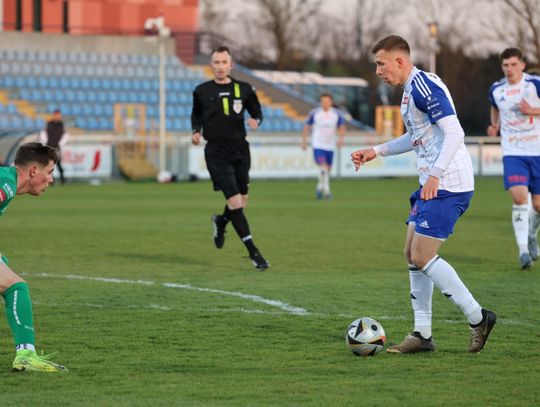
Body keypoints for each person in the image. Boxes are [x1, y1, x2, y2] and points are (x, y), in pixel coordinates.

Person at [351, 35, 496, 354]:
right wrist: (376, 151)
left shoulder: (423, 87)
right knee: (411, 254)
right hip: (432, 182)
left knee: (421, 255)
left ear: (399, 61)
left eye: (381, 64)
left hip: (448, 184)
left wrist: (436, 174)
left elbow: (455, 132)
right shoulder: (409, 93)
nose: (378, 71)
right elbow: (414, 138)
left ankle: (478, 317)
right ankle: (422, 334)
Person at [191, 46, 269, 271]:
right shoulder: (201, 91)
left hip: (240, 150)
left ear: (231, 65)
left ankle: (221, 221)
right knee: (235, 202)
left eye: (224, 62)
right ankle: (255, 254)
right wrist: (196, 131)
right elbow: (196, 114)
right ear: (211, 65)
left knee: (242, 201)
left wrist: (256, 121)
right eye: (216, 62)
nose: (220, 66)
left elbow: (257, 112)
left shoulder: (244, 89)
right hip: (216, 153)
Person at [0, 142, 68, 372]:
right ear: (33, 171)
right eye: (49, 172)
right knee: (15, 286)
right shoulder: (6, 184)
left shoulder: (6, 180)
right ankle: (26, 355)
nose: (51, 179)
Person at [487, 48, 540, 270]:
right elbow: (494, 107)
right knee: (519, 198)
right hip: (513, 152)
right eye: (506, 65)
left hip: (537, 151)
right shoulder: (497, 89)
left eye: (513, 64)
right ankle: (523, 251)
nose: (509, 69)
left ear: (522, 65)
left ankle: (531, 235)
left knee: (538, 205)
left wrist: (533, 110)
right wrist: (494, 125)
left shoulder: (534, 84)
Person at [301, 93, 346, 199]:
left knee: (328, 169)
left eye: (327, 101)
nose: (325, 103)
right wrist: (304, 141)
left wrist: (341, 139)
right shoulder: (315, 113)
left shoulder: (336, 114)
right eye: (323, 102)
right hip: (318, 144)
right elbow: (307, 127)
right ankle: (327, 190)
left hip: (330, 145)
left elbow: (342, 127)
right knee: (323, 166)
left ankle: (319, 186)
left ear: (331, 102)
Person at [40, 109, 69, 185]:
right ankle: (51, 181)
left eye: (58, 115)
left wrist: (61, 143)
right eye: (56, 115)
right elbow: (43, 133)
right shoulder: (49, 123)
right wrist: (45, 142)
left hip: (57, 147)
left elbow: (65, 134)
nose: (57, 116)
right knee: (49, 165)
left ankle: (62, 180)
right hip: (49, 146)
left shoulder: (61, 124)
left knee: (58, 164)